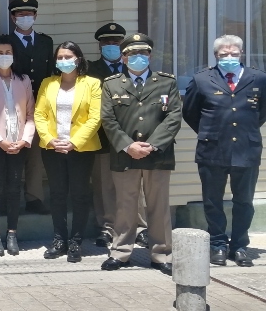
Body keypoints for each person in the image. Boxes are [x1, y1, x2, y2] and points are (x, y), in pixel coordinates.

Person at [100, 33, 181, 276]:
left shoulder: (166, 82)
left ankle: (161, 253)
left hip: (158, 155)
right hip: (125, 156)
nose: (138, 58)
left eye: (143, 53)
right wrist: (128, 146)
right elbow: (108, 119)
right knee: (125, 205)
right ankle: (120, 251)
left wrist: (152, 145)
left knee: (158, 206)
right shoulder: (111, 84)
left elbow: (174, 117)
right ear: (123, 58)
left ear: (150, 55)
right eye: (132, 54)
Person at [184, 34, 266, 268]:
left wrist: (244, 131)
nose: (229, 57)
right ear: (215, 56)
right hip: (212, 149)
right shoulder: (202, 79)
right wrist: (212, 131)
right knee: (212, 201)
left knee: (244, 202)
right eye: (223, 54)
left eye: (233, 53)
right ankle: (218, 244)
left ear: (241, 54)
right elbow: (190, 112)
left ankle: (239, 246)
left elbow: (261, 112)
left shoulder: (258, 78)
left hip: (246, 149)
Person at [34, 41, 101, 263]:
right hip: (53, 147)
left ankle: (76, 241)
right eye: (60, 57)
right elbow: (39, 115)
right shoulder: (48, 83)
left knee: (80, 194)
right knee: (58, 194)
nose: (64, 61)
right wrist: (50, 139)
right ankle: (59, 239)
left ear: (78, 59)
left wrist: (74, 142)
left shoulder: (91, 84)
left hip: (80, 148)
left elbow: (95, 117)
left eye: (68, 56)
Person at [86, 23, 148, 249]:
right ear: (99, 45)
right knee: (105, 186)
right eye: (106, 42)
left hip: (133, 137)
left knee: (135, 186)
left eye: (116, 42)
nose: (111, 45)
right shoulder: (90, 70)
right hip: (102, 137)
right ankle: (107, 226)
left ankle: (140, 227)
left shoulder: (134, 69)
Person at [0, 35, 35, 257]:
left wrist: (24, 140)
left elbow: (31, 114)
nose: (4, 57)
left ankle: (12, 233)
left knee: (14, 189)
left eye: (8, 52)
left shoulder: (25, 80)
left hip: (18, 143)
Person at [9, 0, 53, 215]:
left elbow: (51, 74)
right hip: (13, 104)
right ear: (12, 17)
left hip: (40, 104)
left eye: (28, 14)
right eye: (20, 14)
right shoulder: (5, 42)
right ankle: (11, 198)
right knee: (13, 151)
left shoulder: (46, 42)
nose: (24, 18)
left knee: (35, 153)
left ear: (35, 16)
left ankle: (34, 197)